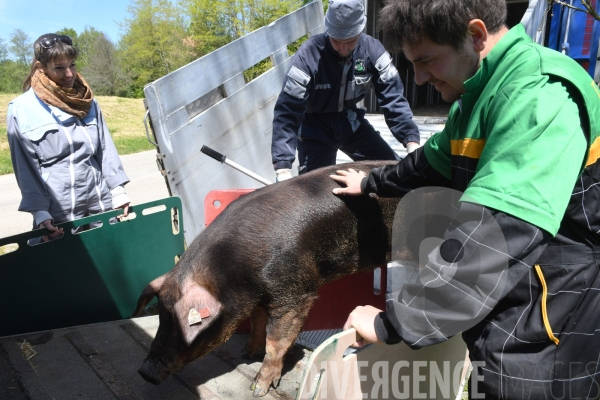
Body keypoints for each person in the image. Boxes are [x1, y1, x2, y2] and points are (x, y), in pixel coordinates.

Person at [331, 0, 600, 398]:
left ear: (475, 36)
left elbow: (497, 230)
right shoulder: (476, 97)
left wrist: (394, 324)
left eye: (427, 61)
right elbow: (431, 160)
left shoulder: (540, 94)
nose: (419, 79)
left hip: (553, 311)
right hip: (512, 291)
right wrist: (372, 183)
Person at [271, 0, 420, 181]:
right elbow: (288, 111)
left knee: (392, 172)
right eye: (336, 41)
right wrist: (283, 167)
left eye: (350, 41)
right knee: (314, 189)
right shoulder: (308, 56)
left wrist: (411, 141)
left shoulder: (373, 51)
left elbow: (393, 98)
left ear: (360, 30)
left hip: (351, 123)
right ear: (328, 30)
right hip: (314, 129)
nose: (343, 48)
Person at [7, 34, 130, 241]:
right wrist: (39, 213)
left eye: (72, 64)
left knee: (108, 255)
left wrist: (117, 191)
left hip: (100, 200)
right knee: (63, 266)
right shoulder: (22, 109)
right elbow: (25, 167)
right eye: (59, 68)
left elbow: (105, 149)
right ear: (40, 67)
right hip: (58, 210)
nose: (69, 73)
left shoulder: (87, 100)